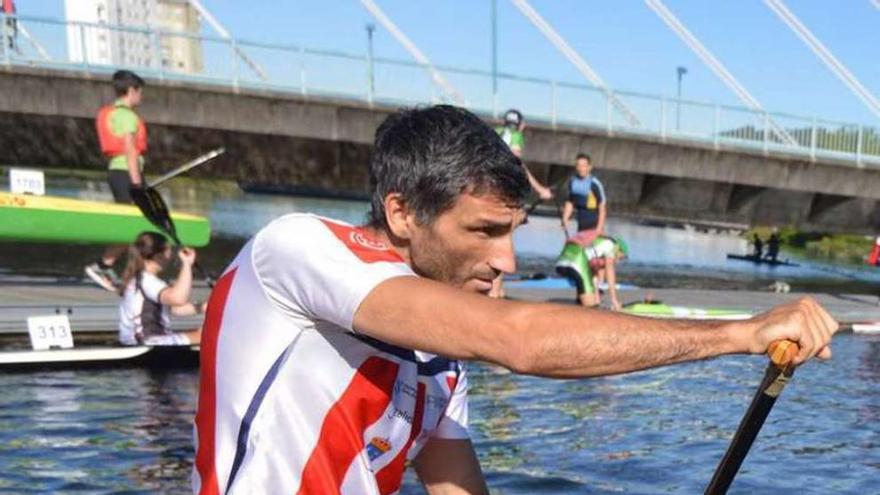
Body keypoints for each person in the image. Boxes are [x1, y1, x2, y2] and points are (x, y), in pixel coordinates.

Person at [193, 105, 838, 495]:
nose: (506, 259)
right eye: (483, 231)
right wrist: (739, 334)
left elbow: (456, 486)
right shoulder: (295, 248)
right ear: (402, 213)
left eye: (511, 233)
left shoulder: (440, 363)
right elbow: (519, 341)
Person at [85, 70, 148, 292]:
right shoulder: (127, 116)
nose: (141, 98)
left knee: (139, 226)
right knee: (133, 226)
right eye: (140, 93)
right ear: (131, 91)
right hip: (125, 173)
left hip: (120, 173)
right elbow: (130, 150)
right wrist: (137, 183)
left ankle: (133, 273)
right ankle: (102, 265)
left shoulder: (114, 114)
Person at [490, 109, 552, 299]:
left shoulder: (494, 133)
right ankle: (495, 291)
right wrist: (539, 189)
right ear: (520, 124)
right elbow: (516, 163)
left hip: (487, 190)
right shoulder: (516, 136)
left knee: (491, 237)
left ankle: (493, 288)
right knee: (503, 236)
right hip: (503, 191)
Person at [118, 231, 203, 346]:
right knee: (205, 335)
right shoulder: (146, 280)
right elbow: (177, 299)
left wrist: (202, 307)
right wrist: (187, 264)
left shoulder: (139, 278)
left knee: (204, 333)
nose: (171, 255)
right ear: (159, 255)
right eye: (168, 250)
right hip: (148, 341)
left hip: (140, 340)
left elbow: (174, 308)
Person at [556, 235, 628, 310]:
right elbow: (610, 275)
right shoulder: (610, 245)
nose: (618, 261)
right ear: (619, 249)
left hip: (563, 262)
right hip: (576, 263)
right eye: (621, 257)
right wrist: (614, 300)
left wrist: (597, 300)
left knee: (589, 302)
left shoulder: (599, 250)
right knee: (590, 307)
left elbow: (594, 278)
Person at [561, 153, 607, 247]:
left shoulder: (595, 184)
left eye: (583, 166)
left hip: (594, 226)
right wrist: (565, 219)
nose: (581, 168)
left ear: (589, 167)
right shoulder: (572, 182)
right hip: (581, 226)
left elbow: (602, 208)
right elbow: (570, 202)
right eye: (578, 165)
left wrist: (598, 230)